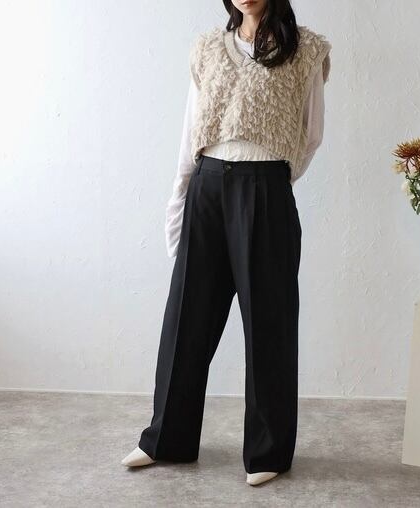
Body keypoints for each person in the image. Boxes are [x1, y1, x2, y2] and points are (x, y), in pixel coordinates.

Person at [122, 0, 331, 487]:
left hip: (265, 187)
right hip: (207, 186)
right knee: (186, 319)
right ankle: (167, 438)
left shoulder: (306, 51)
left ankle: (268, 451)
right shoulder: (207, 49)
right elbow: (190, 132)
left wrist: (270, 179)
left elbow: (311, 135)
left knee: (269, 323)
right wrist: (179, 204)